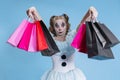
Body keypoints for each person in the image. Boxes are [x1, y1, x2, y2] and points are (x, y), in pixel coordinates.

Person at [26, 6, 98, 80]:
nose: (60, 28)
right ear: (53, 28)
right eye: (56, 26)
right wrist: (34, 12)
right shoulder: (50, 40)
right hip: (55, 76)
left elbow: (82, 24)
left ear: (67, 26)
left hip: (73, 76)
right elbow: (42, 27)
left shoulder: (72, 36)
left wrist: (90, 11)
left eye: (63, 25)